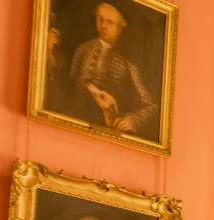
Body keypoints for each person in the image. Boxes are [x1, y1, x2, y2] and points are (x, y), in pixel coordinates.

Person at [48, 2, 158, 136]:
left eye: (109, 22)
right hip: (73, 125)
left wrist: (133, 120)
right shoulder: (83, 49)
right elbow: (65, 87)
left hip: (108, 128)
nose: (103, 26)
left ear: (120, 28)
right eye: (100, 19)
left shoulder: (129, 60)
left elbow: (151, 106)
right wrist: (50, 53)